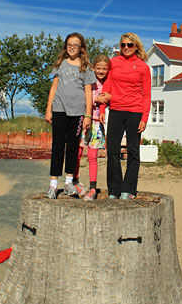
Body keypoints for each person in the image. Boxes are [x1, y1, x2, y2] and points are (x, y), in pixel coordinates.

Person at [99, 32, 151, 200]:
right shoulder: (113, 63)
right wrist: (101, 110)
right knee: (112, 150)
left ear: (136, 46)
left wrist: (144, 118)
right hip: (115, 110)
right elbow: (107, 87)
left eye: (129, 45)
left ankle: (128, 190)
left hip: (135, 112)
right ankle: (114, 190)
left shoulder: (143, 67)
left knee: (133, 151)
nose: (126, 48)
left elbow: (147, 95)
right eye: (123, 45)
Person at [44, 33, 96, 199]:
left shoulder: (86, 66)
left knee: (73, 147)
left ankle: (68, 183)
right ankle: (53, 185)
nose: (72, 47)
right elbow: (54, 88)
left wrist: (88, 115)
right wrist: (48, 109)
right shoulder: (60, 64)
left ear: (82, 48)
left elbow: (89, 92)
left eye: (76, 45)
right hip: (59, 110)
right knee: (58, 147)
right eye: (69, 44)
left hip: (78, 113)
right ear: (66, 46)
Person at [74, 54, 111, 201]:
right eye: (98, 68)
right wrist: (97, 98)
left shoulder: (108, 83)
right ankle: (75, 182)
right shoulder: (89, 80)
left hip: (97, 122)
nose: (101, 71)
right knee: (77, 151)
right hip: (84, 119)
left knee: (92, 156)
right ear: (94, 68)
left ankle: (93, 187)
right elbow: (82, 97)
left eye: (104, 69)